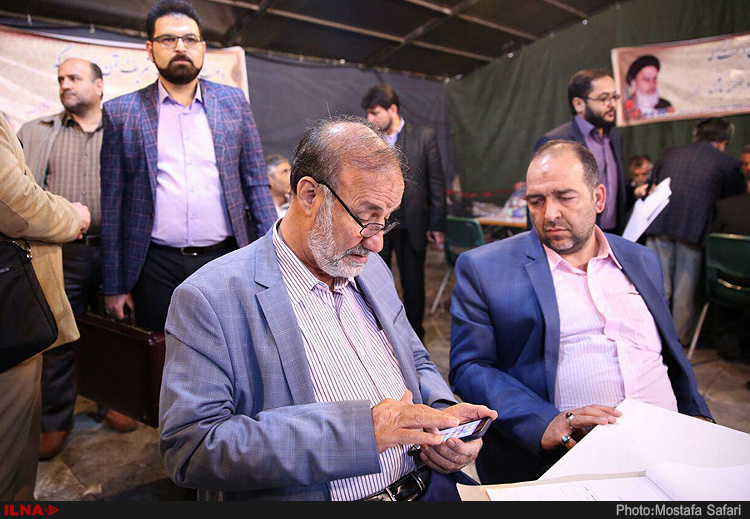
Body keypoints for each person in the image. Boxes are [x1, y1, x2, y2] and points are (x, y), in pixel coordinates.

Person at [159, 117, 496, 501]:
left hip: (429, 484)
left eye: (386, 221)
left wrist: (441, 415)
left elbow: (414, 358)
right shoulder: (212, 298)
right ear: (308, 195)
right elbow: (192, 447)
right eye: (367, 218)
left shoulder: (372, 270)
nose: (377, 244)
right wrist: (360, 433)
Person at [450, 140, 712, 484]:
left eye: (565, 197)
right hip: (574, 458)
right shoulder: (487, 269)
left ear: (598, 198)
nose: (550, 214)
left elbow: (668, 349)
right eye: (536, 201)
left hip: (672, 445)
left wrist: (697, 415)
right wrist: (544, 422)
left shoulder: (640, 259)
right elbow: (470, 367)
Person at [101, 0, 277, 332]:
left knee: (232, 348)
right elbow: (112, 206)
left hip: (227, 259)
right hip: (155, 266)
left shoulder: (233, 102)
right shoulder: (121, 112)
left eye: (190, 39)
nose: (180, 47)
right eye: (168, 39)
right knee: (163, 355)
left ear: (203, 48)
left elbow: (256, 184)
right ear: (150, 49)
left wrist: (275, 257)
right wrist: (114, 285)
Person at [17, 58, 136, 461]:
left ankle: (114, 402)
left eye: (74, 78)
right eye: (60, 79)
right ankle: (55, 421)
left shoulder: (123, 131)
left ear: (99, 85)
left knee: (114, 330)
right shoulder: (37, 132)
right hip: (61, 252)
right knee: (57, 336)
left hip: (114, 249)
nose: (65, 84)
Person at [0, 113, 90, 500]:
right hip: (9, 306)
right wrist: (73, 215)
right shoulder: (38, 129)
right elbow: (14, 202)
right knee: (10, 457)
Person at [645, 118, 744, 345]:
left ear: (696, 135)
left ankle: (651, 339)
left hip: (657, 224)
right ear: (724, 141)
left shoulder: (669, 152)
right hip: (693, 230)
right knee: (684, 292)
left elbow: (652, 185)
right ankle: (678, 344)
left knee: (657, 287)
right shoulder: (728, 163)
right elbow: (731, 205)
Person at [361, 83, 446, 341]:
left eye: (375, 113)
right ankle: (382, 337)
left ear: (393, 110)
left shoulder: (424, 136)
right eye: (368, 113)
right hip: (379, 225)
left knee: (413, 284)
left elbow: (436, 182)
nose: (369, 119)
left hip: (413, 223)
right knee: (376, 281)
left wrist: (437, 224)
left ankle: (415, 339)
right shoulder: (369, 140)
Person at [535, 69, 626, 234]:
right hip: (574, 237)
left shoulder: (614, 137)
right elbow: (540, 199)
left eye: (615, 97)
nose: (612, 104)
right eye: (603, 98)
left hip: (613, 234)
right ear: (578, 104)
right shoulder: (557, 141)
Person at [623, 55, 674, 122]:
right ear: (634, 82)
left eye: (654, 79)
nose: (652, 84)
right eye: (646, 79)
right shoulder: (627, 108)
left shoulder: (665, 105)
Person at [265, 153, 291, 217]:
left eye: (291, 171)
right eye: (285, 172)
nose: (291, 176)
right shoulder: (262, 211)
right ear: (269, 180)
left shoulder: (294, 207)